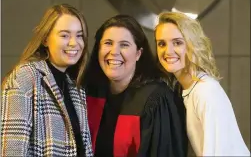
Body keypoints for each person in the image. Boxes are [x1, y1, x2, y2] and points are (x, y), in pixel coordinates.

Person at [83, 14, 187, 157]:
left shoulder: (155, 99)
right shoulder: (89, 95)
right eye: (108, 43)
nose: (114, 52)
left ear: (138, 53)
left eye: (124, 45)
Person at [1, 4, 93, 156]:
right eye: (64, 35)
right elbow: (12, 150)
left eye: (79, 35)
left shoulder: (76, 87)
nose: (74, 43)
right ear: (45, 39)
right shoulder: (25, 77)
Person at [154, 11, 250, 156]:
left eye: (177, 42)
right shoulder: (183, 89)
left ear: (192, 45)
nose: (168, 51)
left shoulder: (206, 90)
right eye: (161, 44)